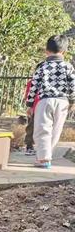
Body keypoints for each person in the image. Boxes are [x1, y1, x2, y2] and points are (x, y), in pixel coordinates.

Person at [26, 35, 75, 169]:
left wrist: (30, 105)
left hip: (45, 100)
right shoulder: (68, 67)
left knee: (42, 130)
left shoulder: (42, 66)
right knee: (55, 130)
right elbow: (73, 86)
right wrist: (72, 101)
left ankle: (43, 158)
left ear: (46, 51)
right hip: (62, 101)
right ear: (64, 52)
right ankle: (46, 157)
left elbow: (34, 86)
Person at [23, 77, 41, 156]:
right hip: (34, 107)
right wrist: (29, 107)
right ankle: (29, 146)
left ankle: (42, 148)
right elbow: (28, 94)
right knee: (31, 127)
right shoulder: (32, 81)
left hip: (45, 106)